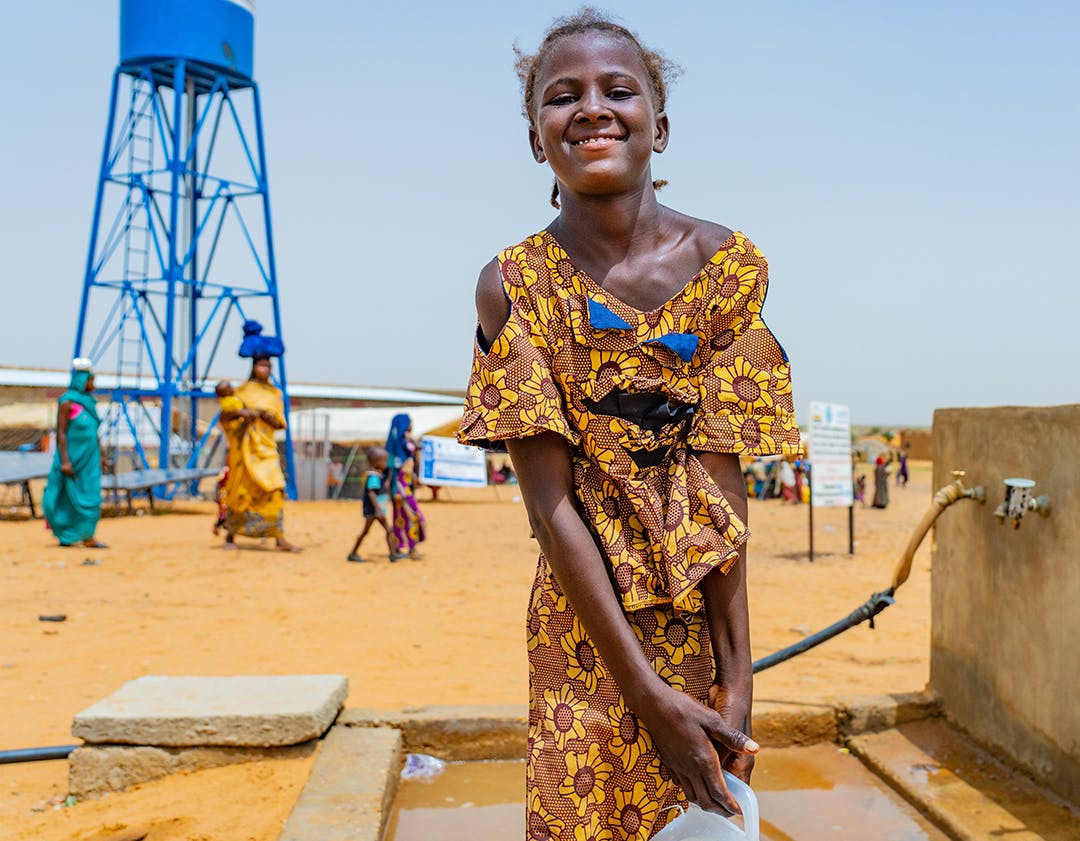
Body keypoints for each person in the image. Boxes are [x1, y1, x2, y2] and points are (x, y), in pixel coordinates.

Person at [458, 11, 801, 836]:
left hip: (696, 618)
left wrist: (738, 680)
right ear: (537, 140)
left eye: (619, 90)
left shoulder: (730, 269)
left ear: (661, 125)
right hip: (583, 630)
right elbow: (550, 507)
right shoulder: (516, 286)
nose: (592, 109)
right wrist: (647, 695)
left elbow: (723, 487)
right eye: (561, 96)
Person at [219, 351, 301, 552]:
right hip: (245, 451)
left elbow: (280, 424)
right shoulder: (242, 391)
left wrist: (264, 415)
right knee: (240, 492)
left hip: (265, 450)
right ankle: (231, 535)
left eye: (268, 366)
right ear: (253, 367)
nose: (265, 370)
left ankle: (278, 537)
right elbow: (225, 416)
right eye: (261, 366)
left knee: (275, 488)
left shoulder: (275, 394)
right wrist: (242, 413)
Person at [42, 358, 106, 547]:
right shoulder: (67, 403)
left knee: (92, 498)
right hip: (71, 460)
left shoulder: (90, 404)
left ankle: (88, 537)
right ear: (81, 380)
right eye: (90, 381)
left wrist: (102, 455)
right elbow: (61, 433)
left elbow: (95, 434)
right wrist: (66, 461)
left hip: (90, 462)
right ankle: (67, 536)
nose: (92, 385)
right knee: (63, 498)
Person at [347, 446, 401, 562]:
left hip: (377, 509)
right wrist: (378, 509)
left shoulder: (378, 474)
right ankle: (392, 555)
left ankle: (393, 554)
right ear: (377, 462)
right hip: (374, 510)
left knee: (378, 530)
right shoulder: (374, 477)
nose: (386, 463)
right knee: (386, 530)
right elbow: (371, 493)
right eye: (384, 461)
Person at [386, 413, 426, 560]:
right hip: (400, 489)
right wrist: (398, 491)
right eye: (409, 422)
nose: (411, 425)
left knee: (404, 517)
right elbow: (395, 473)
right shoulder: (396, 447)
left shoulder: (405, 442)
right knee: (410, 516)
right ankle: (410, 549)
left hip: (407, 486)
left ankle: (404, 547)